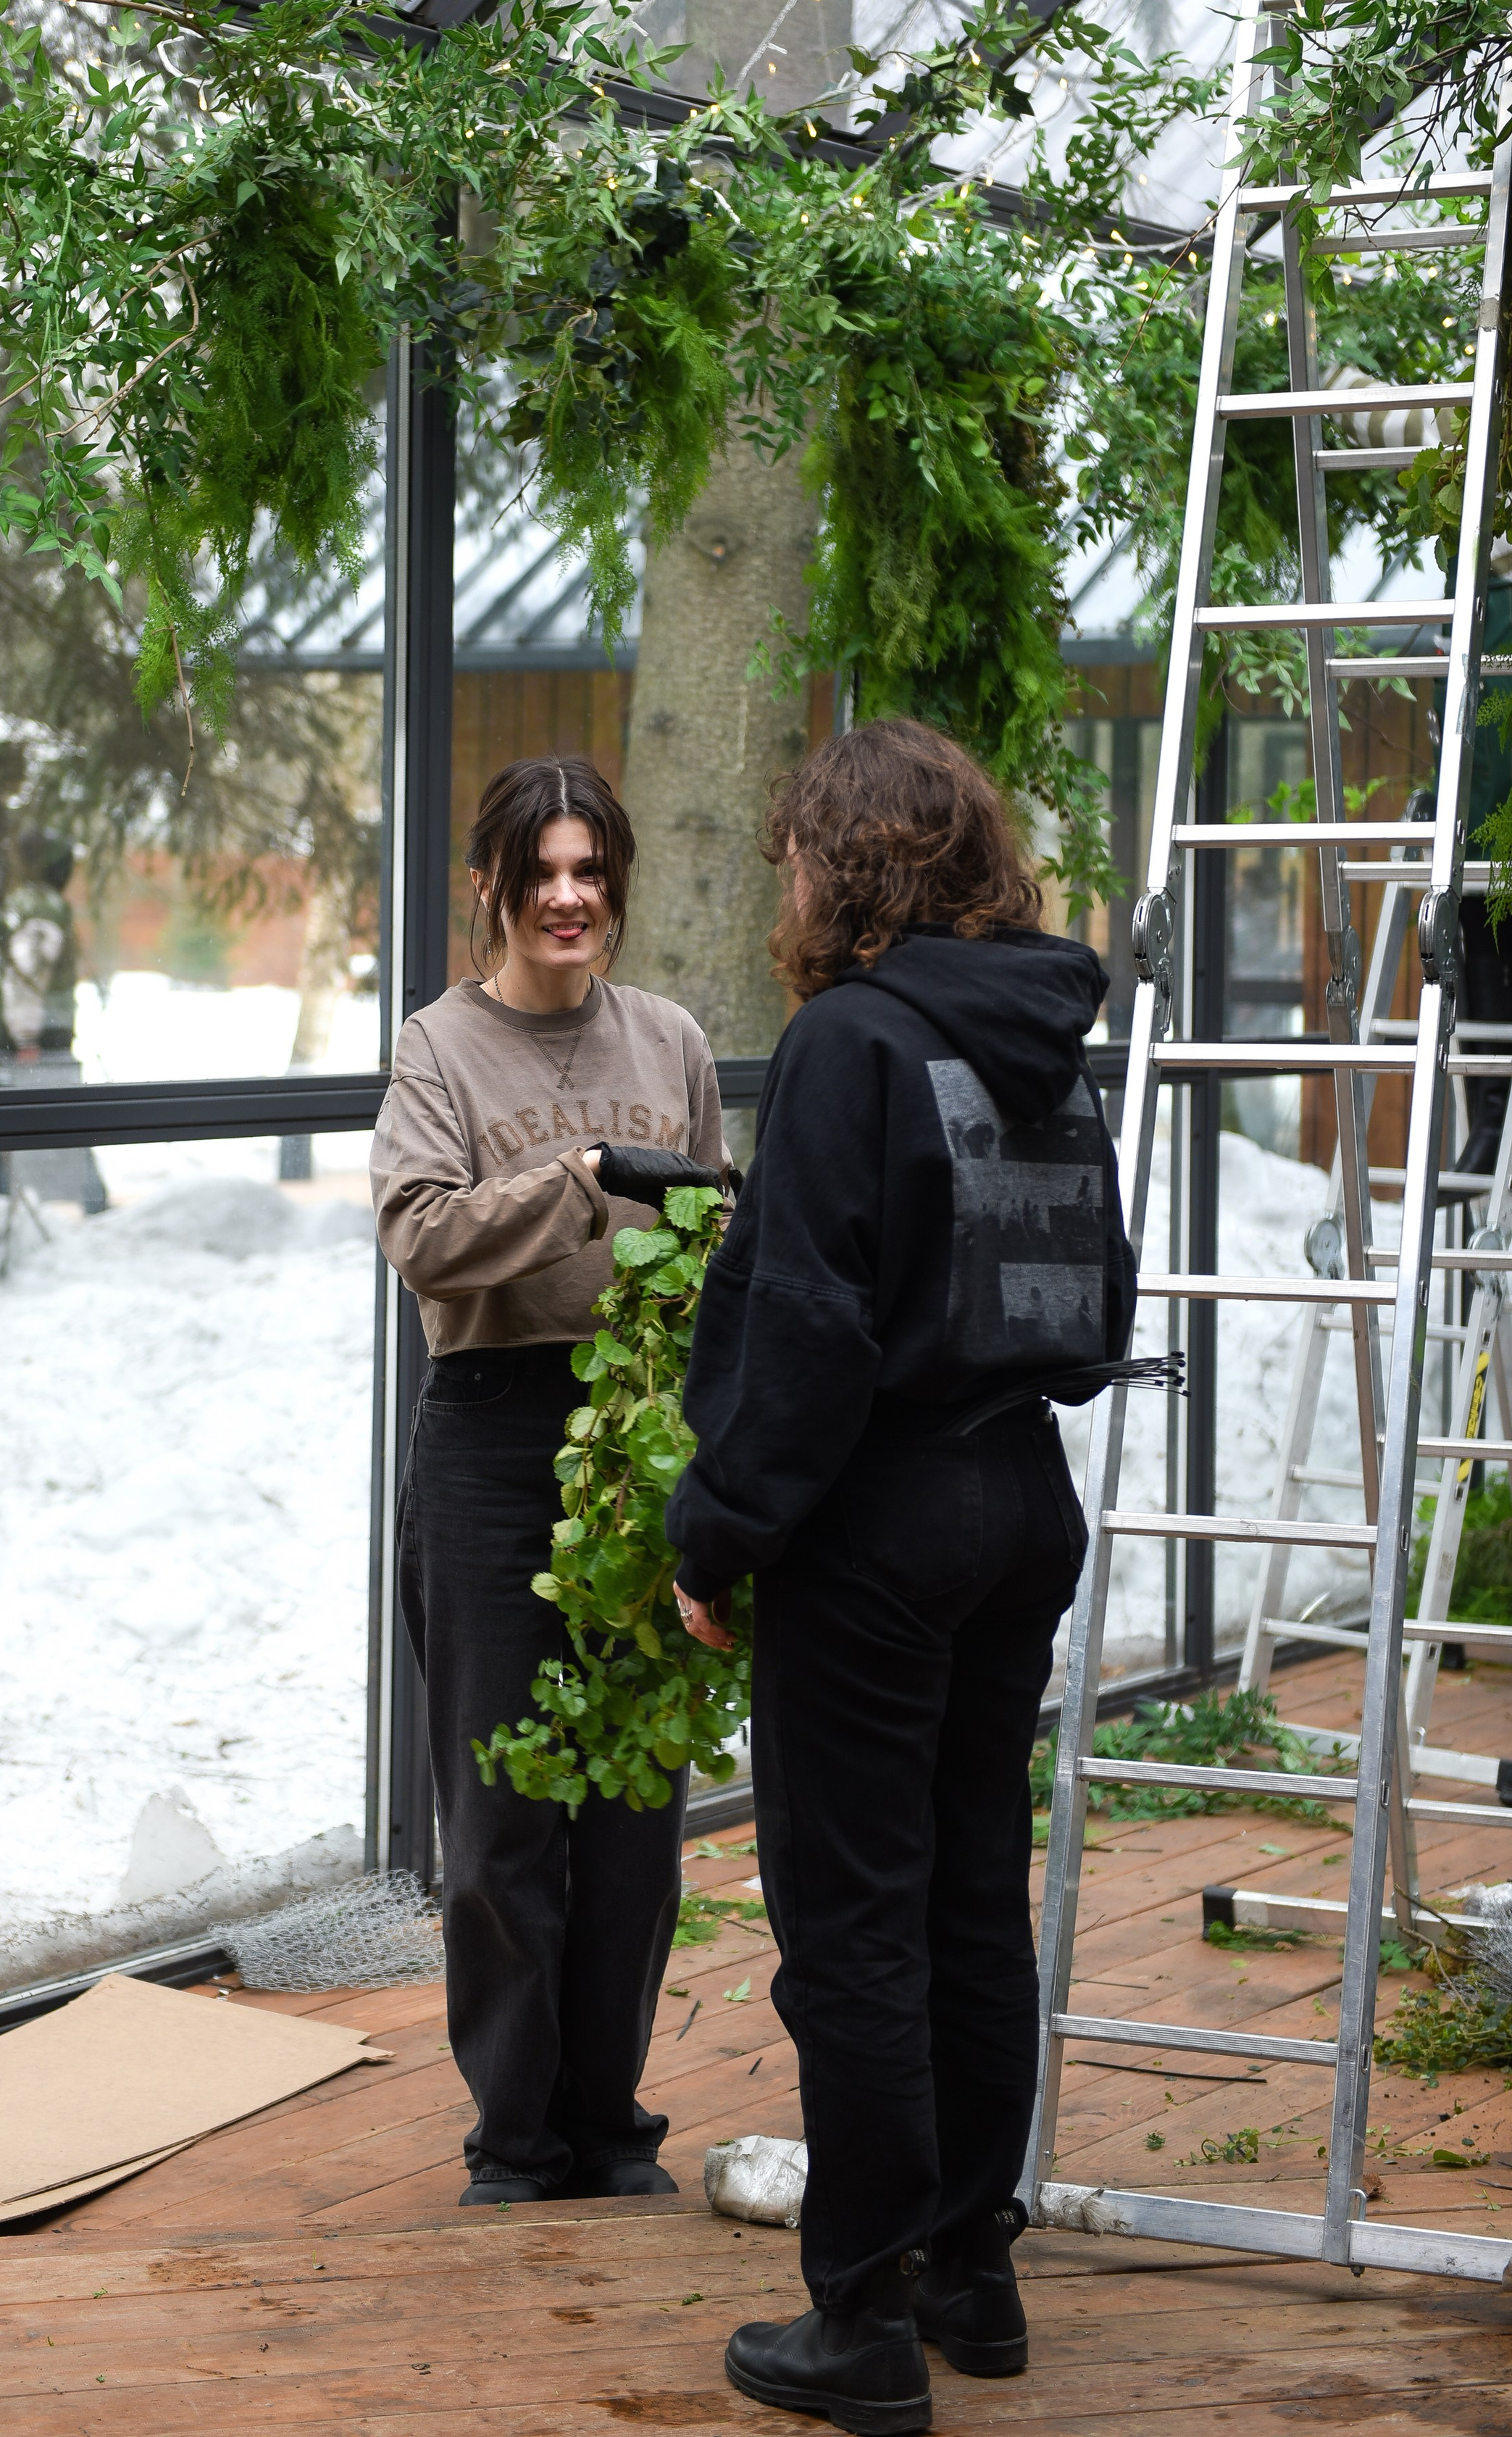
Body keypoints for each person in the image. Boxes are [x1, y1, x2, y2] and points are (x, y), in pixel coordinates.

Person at [667, 719, 1132, 2436]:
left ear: (845, 864)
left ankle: (855, 2321)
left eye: (798, 848)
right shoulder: (1042, 1045)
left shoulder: (845, 1041)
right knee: (961, 1898)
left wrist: (716, 1530)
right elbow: (1096, 1306)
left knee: (849, 1925)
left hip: (876, 1521)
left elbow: (804, 1330)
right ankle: (972, 2273)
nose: (782, 875)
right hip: (1020, 1497)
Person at [370, 754, 728, 2207]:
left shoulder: (673, 1039)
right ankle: (512, 2139)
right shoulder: (437, 1050)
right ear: (492, 889)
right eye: (543, 872)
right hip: (492, 1437)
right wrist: (579, 1177)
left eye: (592, 872)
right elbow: (419, 1236)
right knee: (503, 1814)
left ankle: (607, 2121)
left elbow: (708, 1235)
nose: (569, 897)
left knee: (634, 1812)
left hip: (638, 1435)